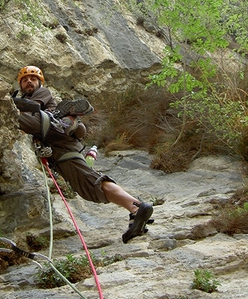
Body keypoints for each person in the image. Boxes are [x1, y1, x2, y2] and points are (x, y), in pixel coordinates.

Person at [13, 65, 153, 243]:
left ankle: (136, 207)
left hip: (55, 134)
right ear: (20, 85)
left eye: (33, 79)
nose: (29, 82)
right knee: (89, 185)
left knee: (91, 183)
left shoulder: (43, 93)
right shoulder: (29, 96)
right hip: (60, 149)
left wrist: (5, 104)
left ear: (40, 82)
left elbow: (33, 108)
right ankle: (136, 210)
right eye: (25, 80)